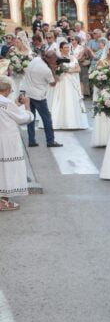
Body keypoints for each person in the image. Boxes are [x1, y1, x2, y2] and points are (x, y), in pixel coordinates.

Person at [0, 76, 35, 211]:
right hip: (7, 140)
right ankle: (3, 200)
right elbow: (24, 118)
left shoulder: (7, 103)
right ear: (8, 89)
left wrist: (15, 105)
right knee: (7, 168)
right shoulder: (6, 103)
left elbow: (8, 113)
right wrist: (26, 106)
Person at [21, 51, 61, 148]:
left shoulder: (35, 59)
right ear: (51, 60)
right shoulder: (46, 70)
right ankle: (50, 141)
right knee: (46, 118)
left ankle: (31, 140)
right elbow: (53, 83)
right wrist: (53, 70)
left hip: (27, 92)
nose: (55, 62)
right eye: (55, 60)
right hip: (38, 96)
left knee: (31, 118)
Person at [49, 42, 89, 130]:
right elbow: (54, 70)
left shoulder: (73, 57)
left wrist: (69, 70)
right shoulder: (58, 59)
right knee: (63, 98)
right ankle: (61, 122)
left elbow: (78, 69)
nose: (67, 49)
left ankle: (74, 122)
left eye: (68, 47)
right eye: (65, 47)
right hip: (62, 81)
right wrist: (60, 69)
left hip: (72, 81)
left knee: (72, 98)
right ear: (61, 49)